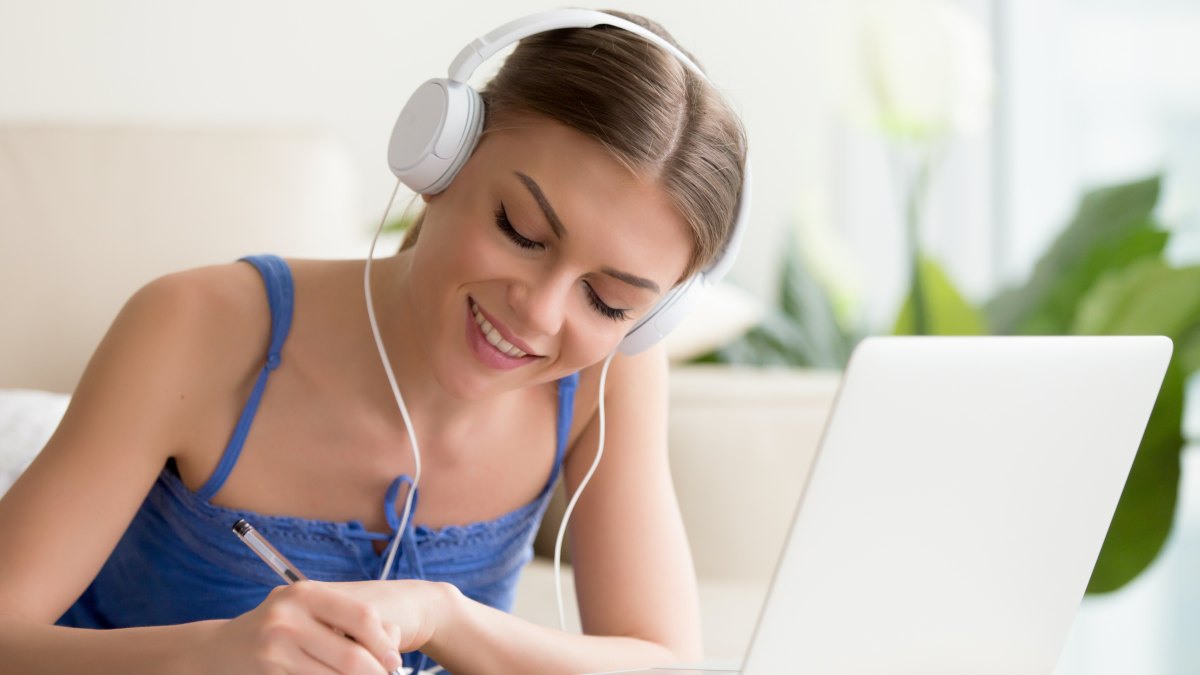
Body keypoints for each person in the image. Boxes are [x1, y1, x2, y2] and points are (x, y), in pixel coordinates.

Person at [0, 8, 747, 674]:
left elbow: (663, 661)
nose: (541, 313)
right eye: (521, 230)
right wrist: (205, 658)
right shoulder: (196, 325)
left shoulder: (610, 378)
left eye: (607, 300)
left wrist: (443, 617)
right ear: (442, 156)